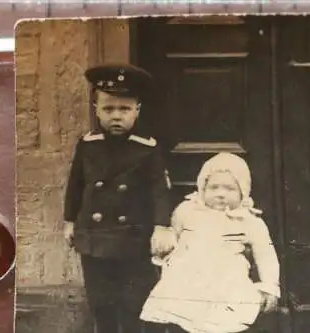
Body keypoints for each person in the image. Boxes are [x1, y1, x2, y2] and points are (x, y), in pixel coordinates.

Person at [62, 63, 177, 333]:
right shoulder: (88, 144)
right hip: (94, 237)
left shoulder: (146, 148)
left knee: (132, 302)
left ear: (137, 110)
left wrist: (162, 226)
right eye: (108, 109)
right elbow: (76, 185)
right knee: (100, 302)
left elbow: (160, 189)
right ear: (96, 110)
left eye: (124, 109)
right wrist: (69, 221)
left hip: (133, 238)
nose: (116, 116)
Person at [140, 152, 281, 333]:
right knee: (183, 315)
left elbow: (265, 253)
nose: (221, 194)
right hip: (188, 276)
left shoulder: (249, 219)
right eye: (214, 187)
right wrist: (164, 248)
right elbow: (171, 235)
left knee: (224, 320)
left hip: (228, 278)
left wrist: (269, 286)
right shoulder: (187, 210)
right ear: (202, 188)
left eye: (230, 189)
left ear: (243, 191)